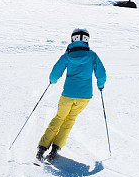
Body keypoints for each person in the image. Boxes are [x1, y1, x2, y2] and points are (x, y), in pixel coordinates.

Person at [37, 28, 106, 163]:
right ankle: (56, 148)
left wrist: (53, 80)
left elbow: (55, 72)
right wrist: (100, 85)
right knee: (70, 120)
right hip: (84, 97)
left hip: (68, 95)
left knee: (59, 118)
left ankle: (42, 147)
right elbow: (101, 73)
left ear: (73, 39)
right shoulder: (92, 55)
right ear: (86, 40)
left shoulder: (67, 55)